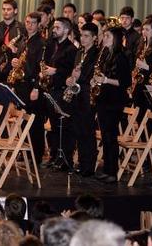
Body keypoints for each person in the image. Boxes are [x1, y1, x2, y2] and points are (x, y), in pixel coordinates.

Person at [93, 26, 131, 183]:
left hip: (114, 101)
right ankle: (107, 169)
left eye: (107, 36)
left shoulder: (121, 57)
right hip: (103, 99)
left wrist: (106, 80)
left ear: (115, 39)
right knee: (106, 136)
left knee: (111, 137)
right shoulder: (105, 55)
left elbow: (125, 82)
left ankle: (112, 172)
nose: (104, 38)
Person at [10, 12, 47, 166]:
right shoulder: (24, 40)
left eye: (33, 22)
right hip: (22, 85)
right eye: (27, 21)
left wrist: (37, 88)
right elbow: (21, 62)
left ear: (39, 24)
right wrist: (15, 62)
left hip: (32, 86)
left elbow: (41, 68)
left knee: (35, 123)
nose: (29, 25)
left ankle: (36, 156)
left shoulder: (41, 43)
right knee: (24, 121)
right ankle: (26, 151)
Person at [43, 18, 77, 170]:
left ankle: (65, 158)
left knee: (64, 126)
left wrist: (54, 71)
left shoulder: (71, 50)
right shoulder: (54, 46)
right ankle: (55, 155)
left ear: (66, 30)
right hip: (52, 89)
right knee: (55, 126)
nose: (54, 30)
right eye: (54, 27)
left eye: (57, 27)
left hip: (63, 92)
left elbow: (72, 73)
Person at [67, 23, 100, 177]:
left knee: (88, 131)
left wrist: (80, 78)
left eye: (87, 36)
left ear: (94, 38)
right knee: (78, 131)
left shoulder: (96, 54)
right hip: (77, 96)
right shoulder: (79, 52)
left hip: (88, 96)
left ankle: (89, 166)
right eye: (82, 35)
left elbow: (92, 75)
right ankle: (81, 162)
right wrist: (70, 79)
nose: (83, 38)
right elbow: (74, 72)